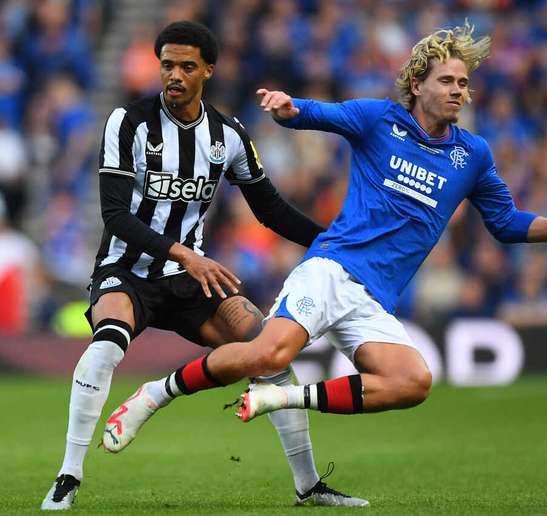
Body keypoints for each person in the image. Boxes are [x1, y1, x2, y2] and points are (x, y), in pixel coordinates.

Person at [104, 21, 547, 486]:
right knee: (268, 355)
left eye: (464, 83)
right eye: (447, 80)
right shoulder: (377, 119)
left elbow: (506, 223)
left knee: (412, 381)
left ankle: (283, 397)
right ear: (417, 83)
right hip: (331, 269)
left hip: (373, 297)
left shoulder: (472, 154)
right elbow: (311, 113)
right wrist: (286, 109)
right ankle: (155, 394)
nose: (458, 91)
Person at [41, 21, 366, 510]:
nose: (174, 74)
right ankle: (68, 475)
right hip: (127, 270)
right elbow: (113, 215)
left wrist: (330, 241)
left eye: (186, 66)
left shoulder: (228, 135)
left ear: (208, 71)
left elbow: (269, 208)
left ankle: (308, 485)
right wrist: (182, 253)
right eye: (167, 65)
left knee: (267, 350)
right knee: (105, 347)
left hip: (190, 278)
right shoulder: (126, 123)